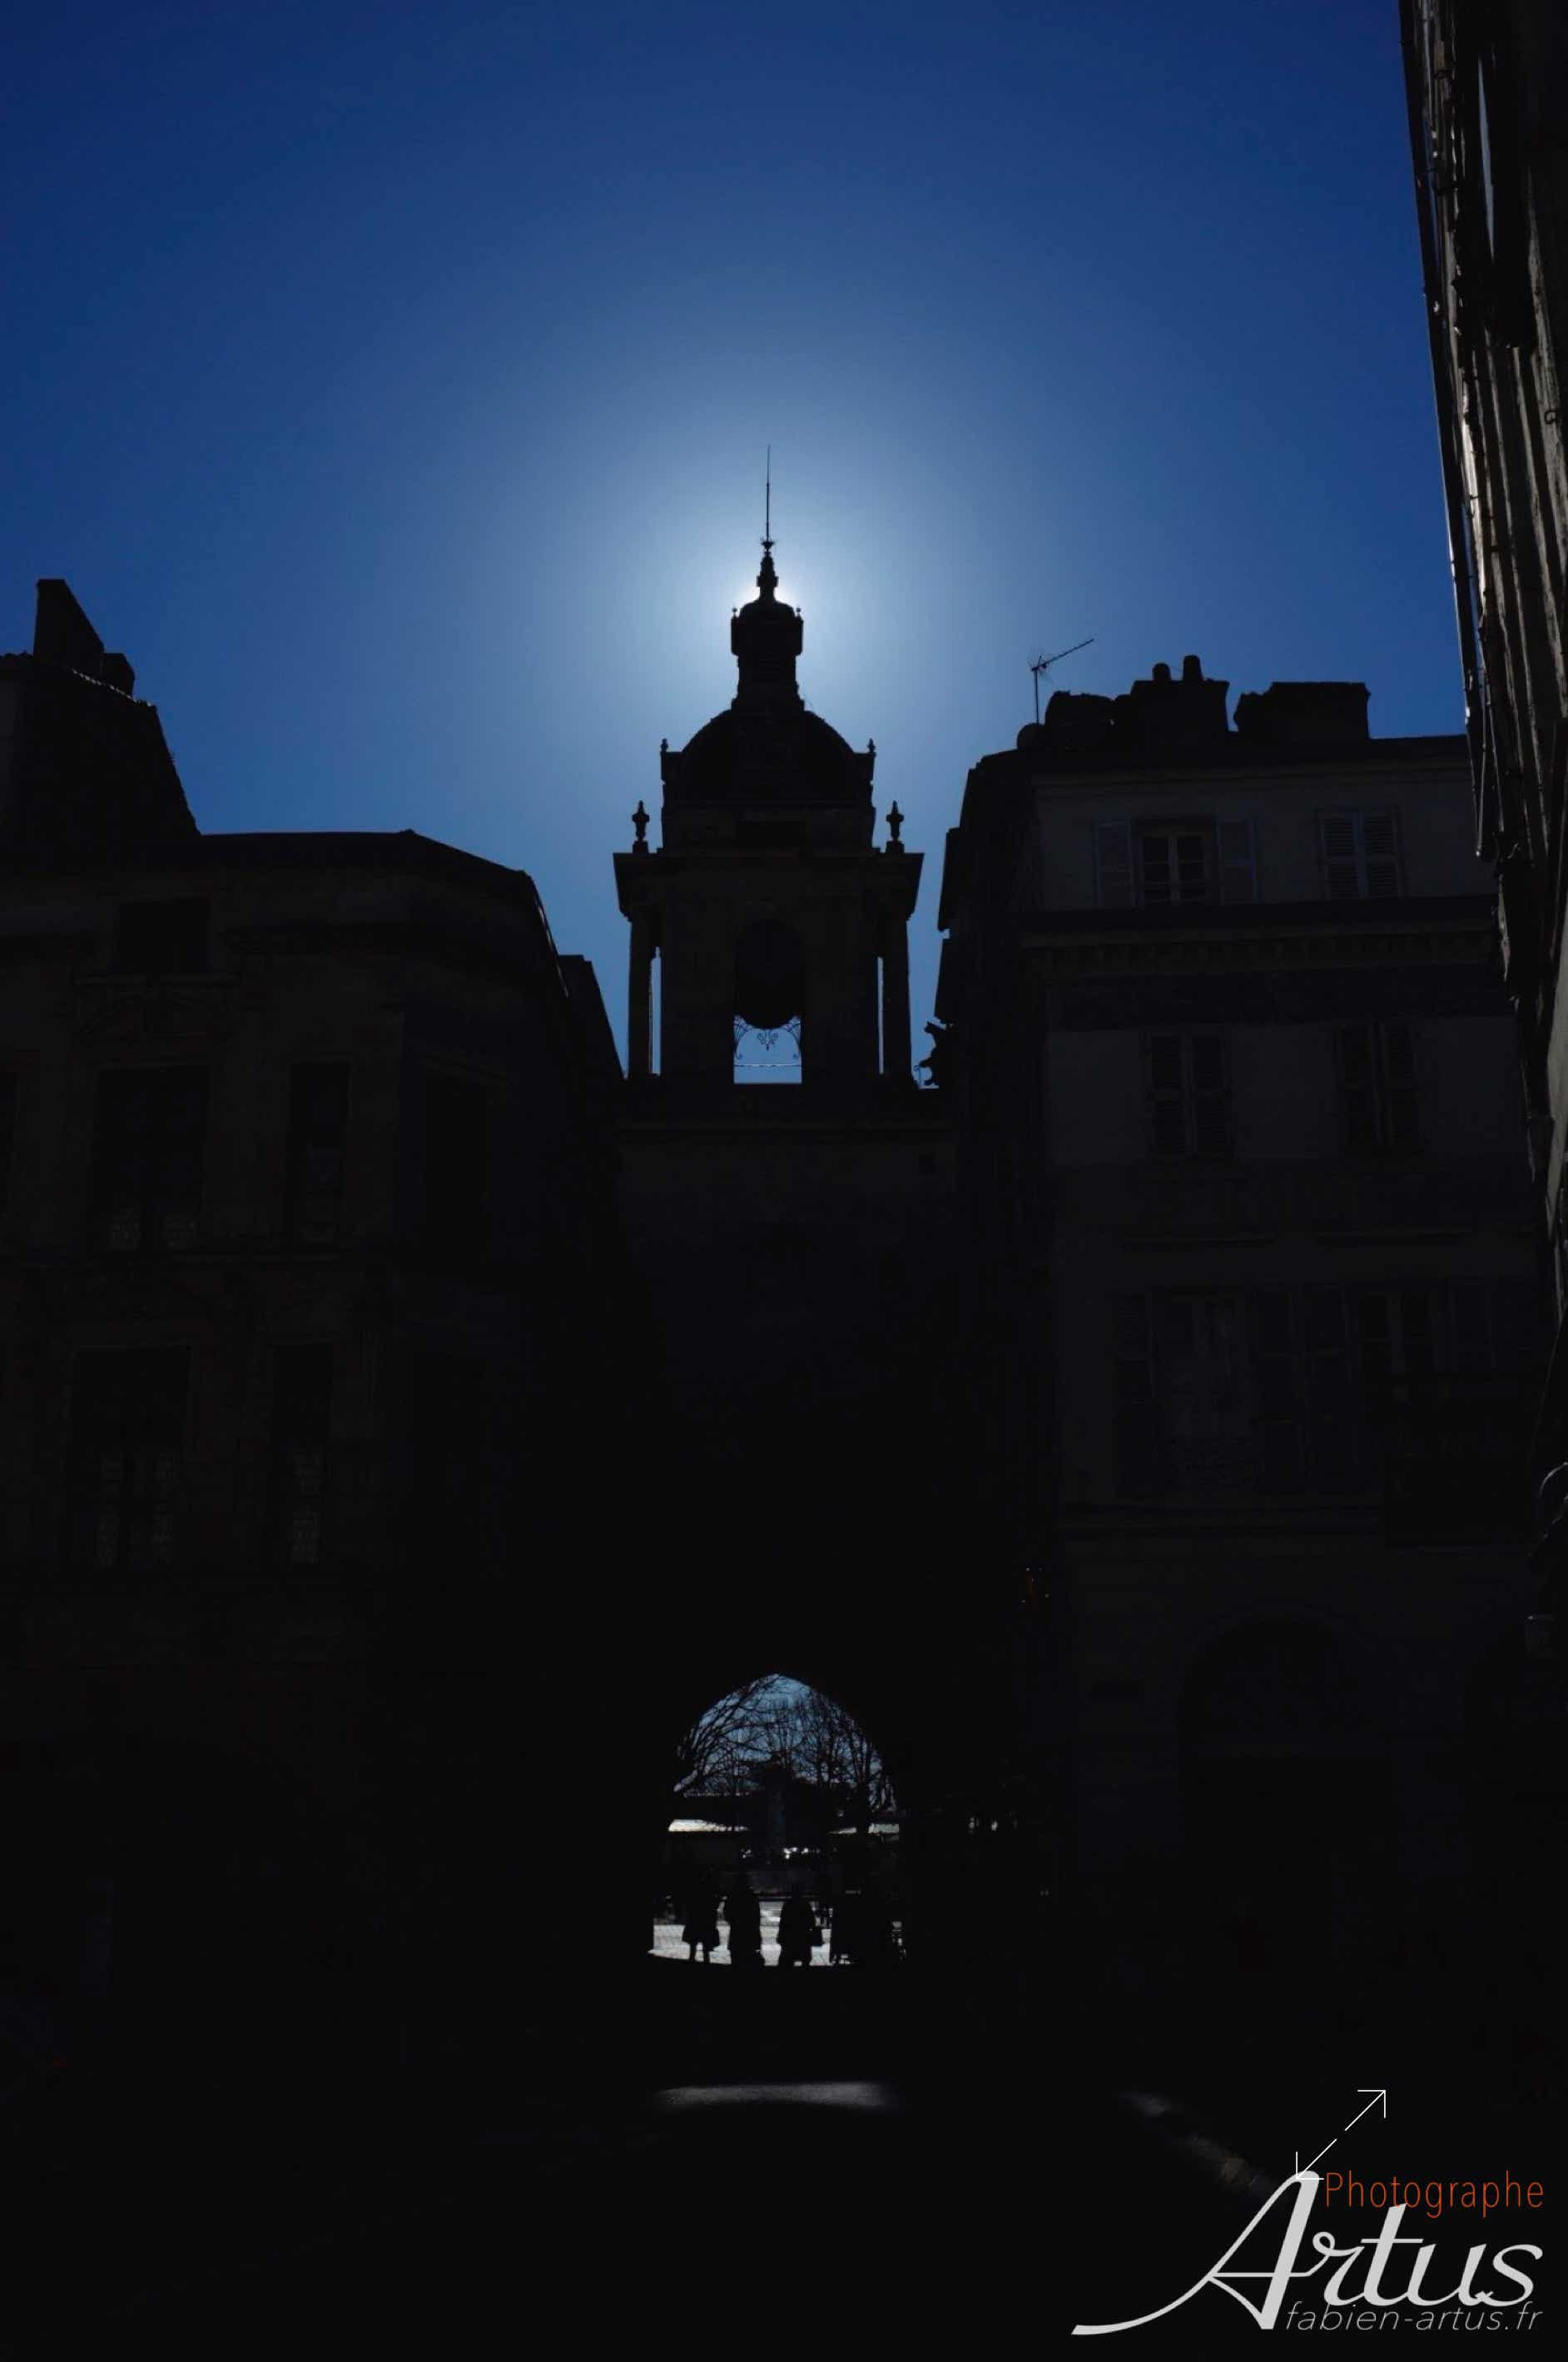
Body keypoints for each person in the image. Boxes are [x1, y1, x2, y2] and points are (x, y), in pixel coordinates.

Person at [722, 1876, 762, 1970]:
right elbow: (756, 1918)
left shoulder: (733, 1896)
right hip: (750, 1936)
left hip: (736, 1934)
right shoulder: (752, 1896)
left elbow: (727, 1914)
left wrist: (734, 1921)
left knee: (736, 1961)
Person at [682, 1869, 721, 1965]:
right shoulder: (711, 1891)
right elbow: (715, 1904)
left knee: (693, 1943)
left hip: (695, 1919)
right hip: (707, 1920)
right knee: (706, 1946)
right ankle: (705, 1961)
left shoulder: (695, 1890)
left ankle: (692, 1959)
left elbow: (690, 1904)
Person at [777, 1889, 819, 1969]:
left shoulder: (788, 1904)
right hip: (803, 1936)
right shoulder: (805, 1904)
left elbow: (783, 1922)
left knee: (788, 1960)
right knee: (805, 1959)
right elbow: (812, 1921)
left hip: (790, 1937)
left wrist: (781, 1935)